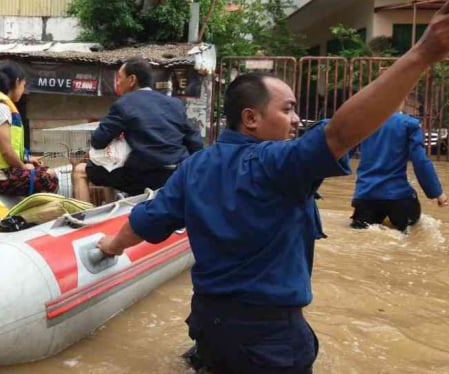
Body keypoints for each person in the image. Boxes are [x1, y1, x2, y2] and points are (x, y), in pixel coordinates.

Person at [96, 3, 449, 372]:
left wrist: (109, 246)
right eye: (289, 109)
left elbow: (147, 221)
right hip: (270, 340)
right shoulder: (280, 164)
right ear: (251, 118)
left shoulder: (193, 168)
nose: (297, 120)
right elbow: (342, 133)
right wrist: (422, 53)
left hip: (209, 329)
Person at [72, 58, 203, 202]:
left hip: (141, 175)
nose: (117, 82)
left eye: (119, 78)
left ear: (132, 79)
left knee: (80, 171)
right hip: (176, 173)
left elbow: (98, 141)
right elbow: (195, 143)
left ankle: (83, 220)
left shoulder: (124, 104)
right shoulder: (174, 104)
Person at [0, 61, 58, 196]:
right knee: (49, 177)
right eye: (23, 85)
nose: (23, 90)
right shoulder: (0, 108)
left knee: (40, 169)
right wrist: (23, 166)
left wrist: (27, 158)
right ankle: (37, 215)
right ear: (17, 82)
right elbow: (6, 151)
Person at [351, 108, 448, 232]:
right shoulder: (409, 124)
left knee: (362, 234)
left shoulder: (364, 123)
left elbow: (342, 154)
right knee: (414, 234)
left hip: (365, 197)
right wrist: (437, 193)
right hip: (399, 198)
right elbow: (420, 161)